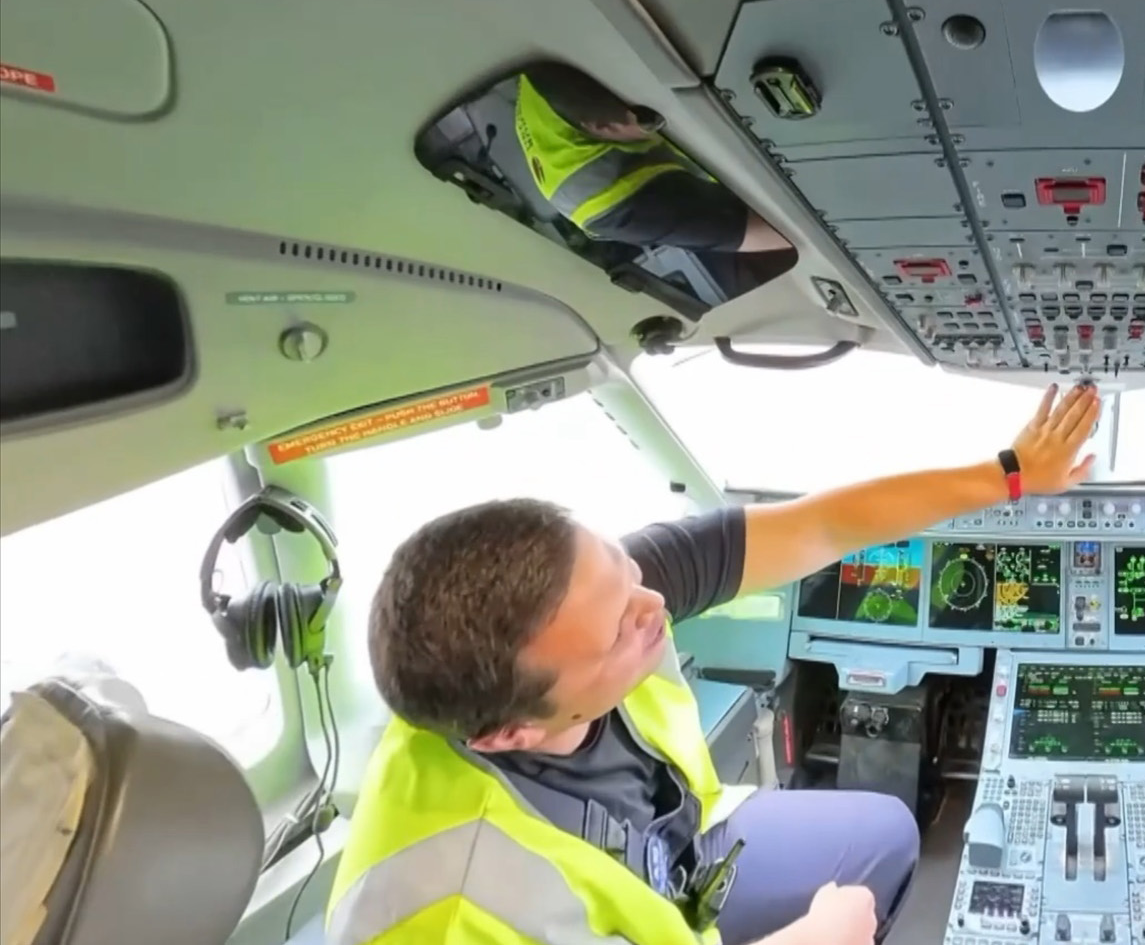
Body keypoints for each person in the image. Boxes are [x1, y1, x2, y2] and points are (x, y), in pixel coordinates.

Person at [325, 384, 1103, 945]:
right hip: (614, 907)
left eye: (626, 570)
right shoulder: (458, 910)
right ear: (510, 733)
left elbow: (819, 526)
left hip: (676, 861)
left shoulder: (576, 602)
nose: (654, 606)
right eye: (619, 629)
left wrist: (1011, 472)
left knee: (884, 830)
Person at [513, 60, 794, 265]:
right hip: (617, 202)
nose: (658, 121)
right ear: (604, 129)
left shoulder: (554, 69)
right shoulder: (620, 207)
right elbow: (769, 234)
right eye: (650, 122)